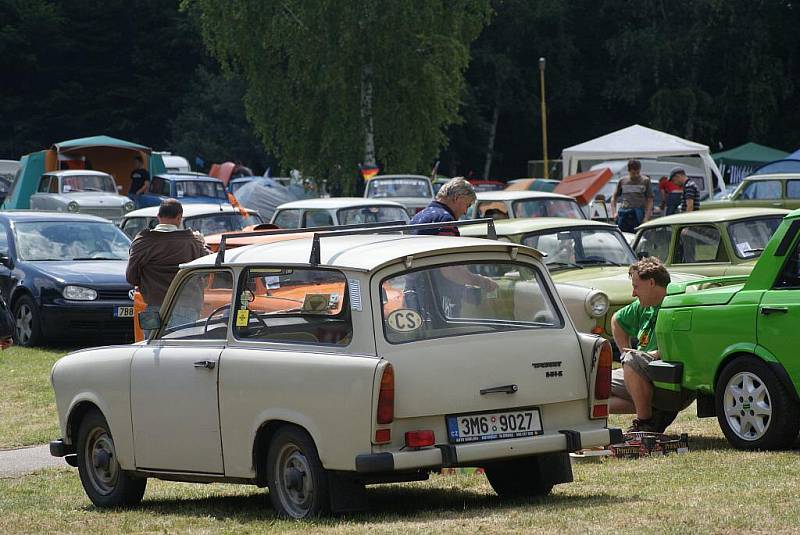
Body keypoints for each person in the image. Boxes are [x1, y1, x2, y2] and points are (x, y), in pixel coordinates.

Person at [609, 257, 687, 433]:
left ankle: (645, 423)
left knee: (631, 359)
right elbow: (617, 320)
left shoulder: (675, 306)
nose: (633, 293)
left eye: (636, 286)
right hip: (638, 371)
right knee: (595, 388)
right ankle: (652, 410)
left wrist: (655, 354)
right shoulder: (643, 305)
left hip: (662, 375)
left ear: (651, 283)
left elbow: (685, 344)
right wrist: (623, 353)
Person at [126, 199, 210, 336]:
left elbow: (131, 277)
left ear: (158, 217)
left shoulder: (143, 242)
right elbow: (208, 268)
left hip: (153, 307)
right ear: (179, 217)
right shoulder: (192, 242)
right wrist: (203, 243)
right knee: (180, 351)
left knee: (152, 350)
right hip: (186, 307)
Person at [410, 176, 476, 235]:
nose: (465, 212)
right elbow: (452, 248)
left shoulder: (418, 216)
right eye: (467, 205)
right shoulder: (446, 221)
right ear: (457, 198)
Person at [611, 160, 653, 232]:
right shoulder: (622, 181)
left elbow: (650, 199)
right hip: (624, 212)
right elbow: (614, 197)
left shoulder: (645, 181)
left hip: (639, 213)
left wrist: (646, 217)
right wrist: (614, 213)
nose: (636, 175)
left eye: (638, 172)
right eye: (633, 173)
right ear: (629, 170)